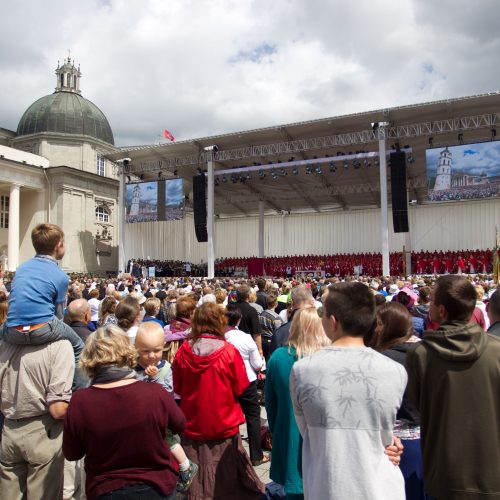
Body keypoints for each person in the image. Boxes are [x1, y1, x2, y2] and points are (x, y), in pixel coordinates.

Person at [290, 282, 406, 500]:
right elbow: (384, 429)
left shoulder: (303, 371)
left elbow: (308, 431)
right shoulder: (395, 371)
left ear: (333, 322)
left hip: (328, 485)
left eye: (322, 312)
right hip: (381, 487)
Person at [63, 325, 186, 500]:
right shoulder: (154, 392)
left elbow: (72, 453)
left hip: (105, 488)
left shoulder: (80, 401)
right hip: (155, 485)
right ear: (128, 352)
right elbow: (179, 424)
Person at [406, 275, 500, 500]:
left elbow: (417, 406)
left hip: (444, 472)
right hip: (492, 470)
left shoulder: (421, 355)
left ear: (442, 310)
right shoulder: (496, 351)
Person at [172, 303, 265, 499]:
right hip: (222, 420)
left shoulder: (183, 351)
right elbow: (241, 386)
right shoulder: (228, 352)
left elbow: (178, 388)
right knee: (227, 473)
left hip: (193, 421)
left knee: (196, 473)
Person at [0, 223, 84, 386]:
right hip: (42, 327)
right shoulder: (60, 275)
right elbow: (58, 315)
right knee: (80, 347)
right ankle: (75, 390)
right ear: (59, 245)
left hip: (12, 329)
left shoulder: (22, 269)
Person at [265, 306, 331, 500]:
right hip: (323, 440)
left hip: (289, 435)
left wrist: (276, 432)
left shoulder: (278, 357)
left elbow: (271, 405)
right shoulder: (330, 359)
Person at [0, 331, 74, 498]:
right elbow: (58, 408)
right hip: (43, 429)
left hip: (9, 427)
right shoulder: (60, 345)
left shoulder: (4, 344)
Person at [372, 302, 428, 500]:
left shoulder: (381, 359)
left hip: (394, 444)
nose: (374, 328)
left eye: (378, 323)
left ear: (388, 326)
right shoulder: (428, 351)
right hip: (428, 440)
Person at [134, 322, 198, 493]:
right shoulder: (133, 368)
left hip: (160, 416)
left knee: (168, 439)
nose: (151, 356)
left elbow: (167, 392)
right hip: (140, 417)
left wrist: (153, 379)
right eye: (145, 351)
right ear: (136, 349)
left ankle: (186, 466)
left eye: (156, 350)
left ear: (163, 347)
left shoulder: (165, 368)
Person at [224, 305, 268, 466]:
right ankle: (256, 455)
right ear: (239, 320)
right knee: (253, 416)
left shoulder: (221, 337)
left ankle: (230, 454)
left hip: (227, 381)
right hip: (246, 380)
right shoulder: (245, 337)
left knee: (230, 417)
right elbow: (257, 364)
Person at [270, 285, 314, 354]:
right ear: (312, 302)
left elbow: (274, 360)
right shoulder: (324, 328)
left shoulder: (280, 332)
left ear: (293, 303)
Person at [234, 284, 263, 356]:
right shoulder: (252, 310)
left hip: (232, 344)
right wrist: (260, 350)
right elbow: (256, 333)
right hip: (247, 347)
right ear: (248, 296)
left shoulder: (230, 307)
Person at [259, 293, 283, 361]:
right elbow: (278, 332)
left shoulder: (262, 313)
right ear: (276, 304)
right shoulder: (277, 317)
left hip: (261, 341)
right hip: (271, 342)